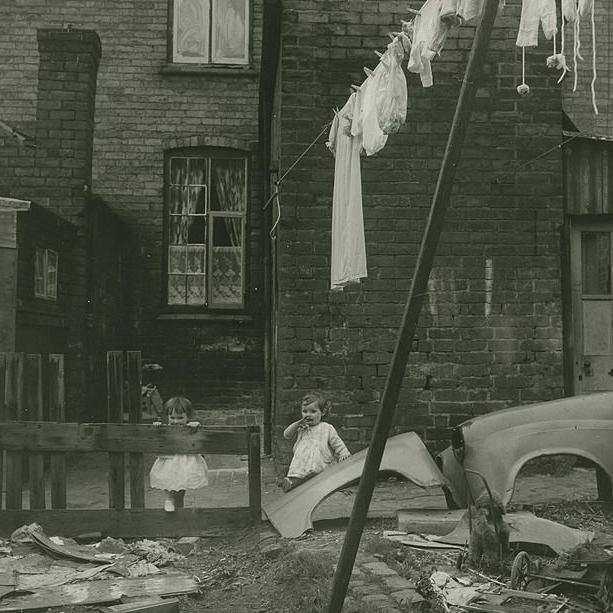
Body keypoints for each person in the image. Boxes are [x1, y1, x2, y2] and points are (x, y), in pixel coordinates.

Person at [281, 391, 351, 492]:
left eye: (313, 412)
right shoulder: (302, 427)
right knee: (299, 477)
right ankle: (290, 482)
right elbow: (286, 435)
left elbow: (337, 443)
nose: (308, 415)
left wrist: (343, 453)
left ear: (322, 412)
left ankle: (290, 483)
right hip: (302, 463)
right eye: (305, 411)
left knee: (315, 476)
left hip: (319, 463)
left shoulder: (326, 428)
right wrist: (298, 424)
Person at [150, 395, 209, 512]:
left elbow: (198, 428)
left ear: (188, 418)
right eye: (172, 418)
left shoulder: (189, 427)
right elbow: (159, 433)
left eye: (180, 418)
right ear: (167, 417)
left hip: (185, 461)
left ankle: (180, 510)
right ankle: (169, 498)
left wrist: (195, 425)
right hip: (169, 459)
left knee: (181, 485)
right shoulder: (166, 428)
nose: (176, 421)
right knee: (168, 478)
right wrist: (157, 427)